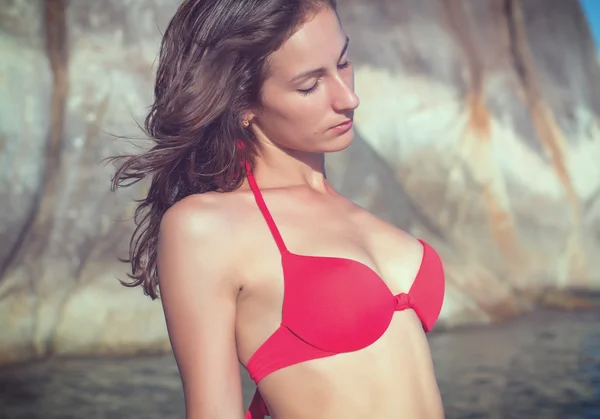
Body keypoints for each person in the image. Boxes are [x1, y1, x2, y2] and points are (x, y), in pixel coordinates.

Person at [110, 0, 446, 417]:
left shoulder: (352, 211)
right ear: (243, 104)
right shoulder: (205, 227)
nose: (349, 98)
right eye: (309, 85)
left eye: (343, 63)